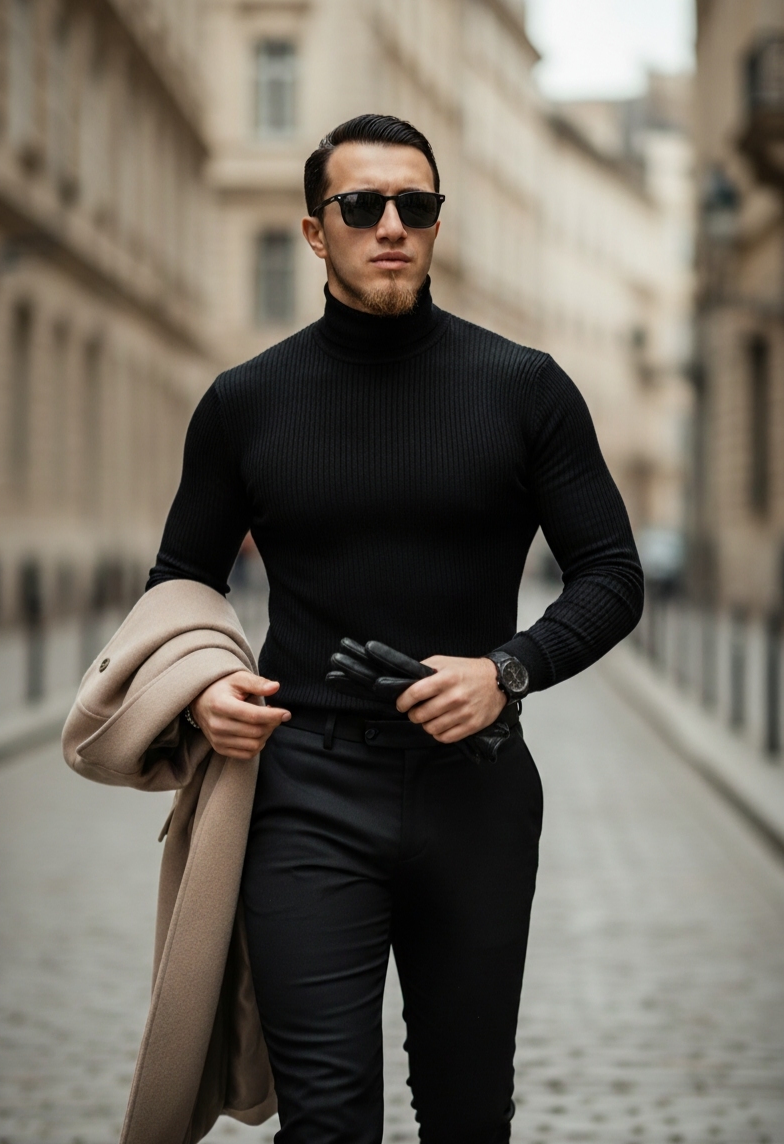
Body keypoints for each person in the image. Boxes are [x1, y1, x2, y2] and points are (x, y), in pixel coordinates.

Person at [147, 113, 644, 1144]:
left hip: (477, 791)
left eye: (414, 206)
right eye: (361, 205)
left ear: (434, 223)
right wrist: (202, 687)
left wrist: (508, 669)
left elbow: (611, 574)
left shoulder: (524, 388)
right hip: (304, 793)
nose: (390, 225)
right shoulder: (245, 403)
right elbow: (179, 582)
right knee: (327, 1122)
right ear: (314, 230)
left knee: (468, 1116)